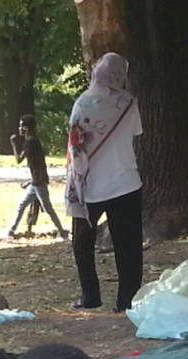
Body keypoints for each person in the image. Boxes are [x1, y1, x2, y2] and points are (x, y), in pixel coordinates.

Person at [65, 52, 144, 312]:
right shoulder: (129, 103)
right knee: (128, 244)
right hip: (126, 182)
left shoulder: (82, 104)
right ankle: (127, 299)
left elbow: (76, 149)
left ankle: (90, 294)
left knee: (82, 243)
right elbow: (135, 133)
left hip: (90, 186)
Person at [7, 115, 68, 240]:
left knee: (48, 208)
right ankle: (11, 232)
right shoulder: (33, 141)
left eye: (21, 126)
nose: (19, 129)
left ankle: (62, 232)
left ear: (26, 128)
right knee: (22, 205)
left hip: (38, 183)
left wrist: (13, 144)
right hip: (35, 182)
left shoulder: (31, 142)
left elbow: (19, 159)